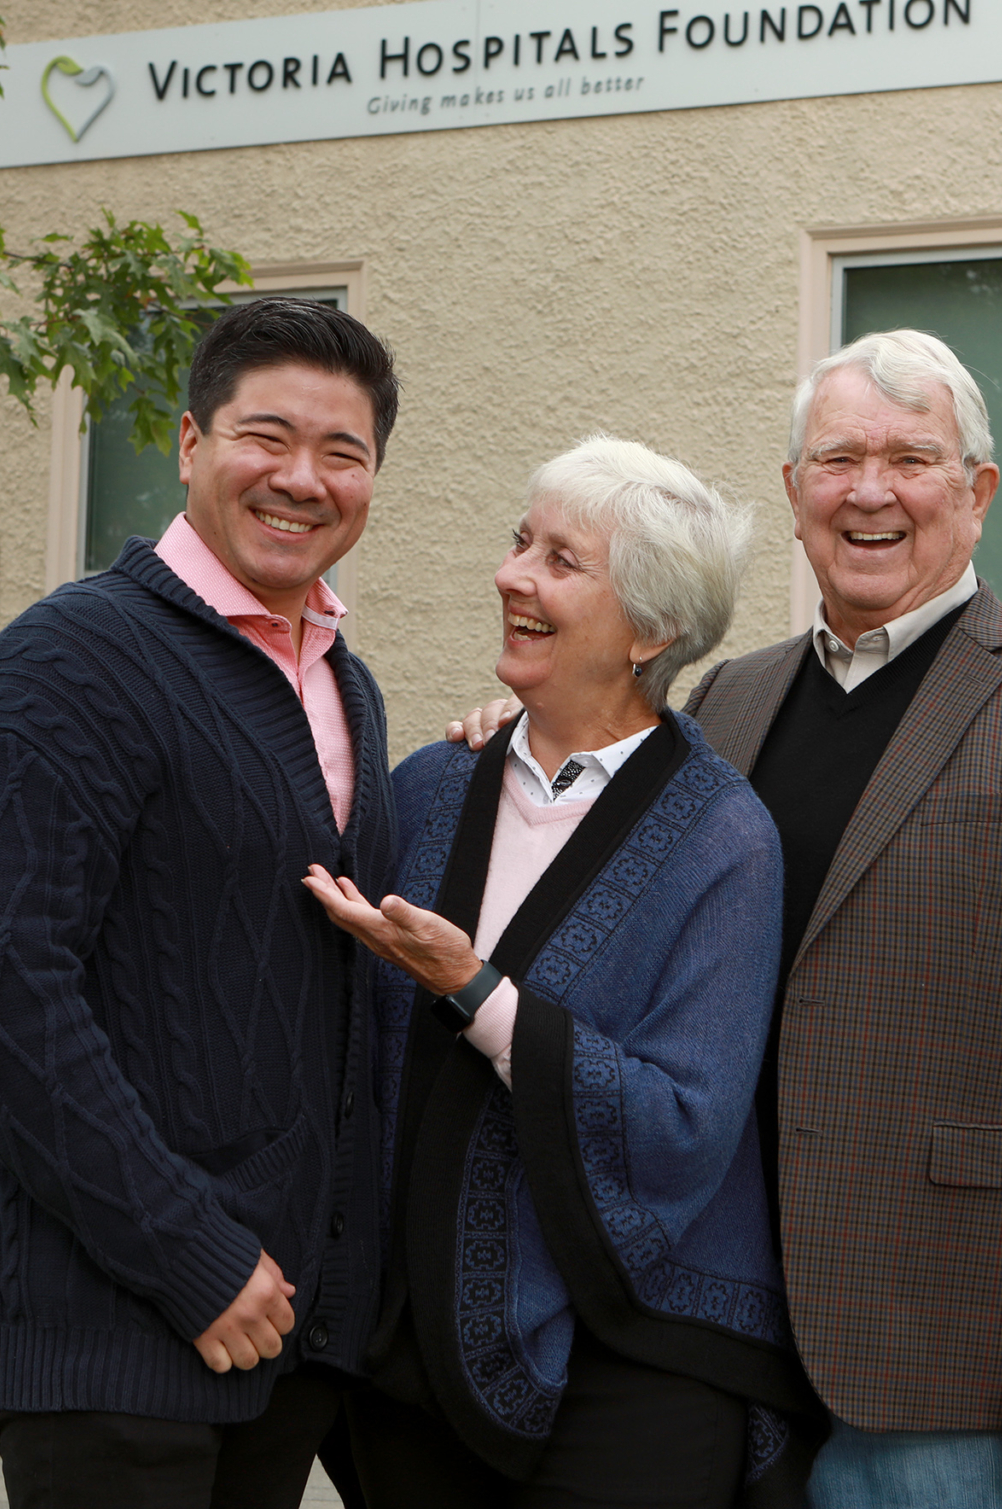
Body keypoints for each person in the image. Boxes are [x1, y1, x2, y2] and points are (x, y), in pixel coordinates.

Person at [455, 331, 1002, 1508]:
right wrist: (501, 749)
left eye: (911, 459)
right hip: (719, 1329)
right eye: (838, 458)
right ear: (797, 492)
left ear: (977, 491)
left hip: (947, 1353)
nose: (869, 491)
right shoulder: (727, 699)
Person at [0, 296, 400, 1509]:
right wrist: (190, 1258)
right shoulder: (67, 663)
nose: (302, 478)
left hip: (278, 1338)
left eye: (341, 453)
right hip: (115, 1334)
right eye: (266, 436)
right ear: (189, 444)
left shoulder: (346, 686)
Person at [304, 436, 820, 1508]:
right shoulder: (432, 787)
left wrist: (479, 994)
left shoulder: (723, 838)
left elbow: (686, 1125)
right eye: (518, 542)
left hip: (641, 1357)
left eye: (559, 560)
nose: (511, 576)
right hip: (412, 1347)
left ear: (651, 629)